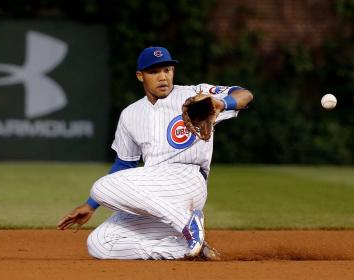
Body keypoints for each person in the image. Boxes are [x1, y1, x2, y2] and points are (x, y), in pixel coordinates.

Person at [57, 46, 253, 260]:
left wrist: (223, 103)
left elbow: (244, 94)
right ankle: (191, 249)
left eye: (167, 70)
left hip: (187, 180)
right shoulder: (130, 114)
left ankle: (186, 224)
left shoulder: (196, 96)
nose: (163, 77)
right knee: (99, 244)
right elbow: (124, 165)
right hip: (153, 193)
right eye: (154, 72)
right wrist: (90, 206)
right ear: (140, 76)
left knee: (100, 187)